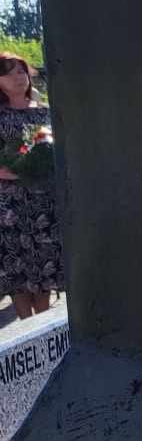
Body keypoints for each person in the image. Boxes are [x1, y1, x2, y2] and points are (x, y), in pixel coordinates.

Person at [0, 50, 62, 319]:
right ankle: (26, 322)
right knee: (17, 268)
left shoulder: (45, 113)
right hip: (9, 205)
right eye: (9, 73)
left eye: (21, 71)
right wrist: (7, 172)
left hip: (42, 201)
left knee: (44, 263)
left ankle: (44, 322)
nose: (18, 77)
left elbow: (53, 151)